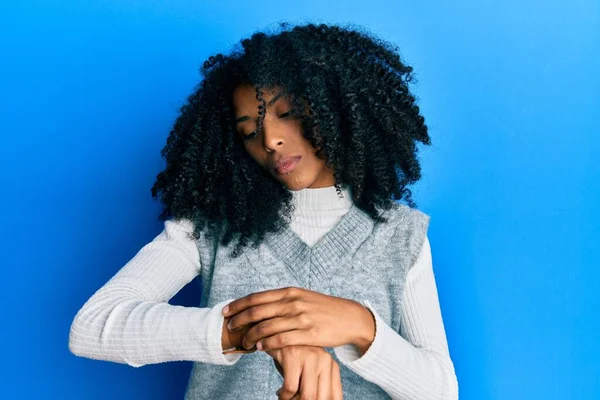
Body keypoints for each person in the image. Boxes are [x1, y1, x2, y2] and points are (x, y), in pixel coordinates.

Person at [69, 22, 459, 400]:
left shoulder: (400, 234)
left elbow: (442, 392)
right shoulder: (210, 228)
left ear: (335, 106)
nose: (270, 139)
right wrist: (249, 331)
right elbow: (93, 325)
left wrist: (361, 327)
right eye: (249, 132)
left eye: (286, 112)